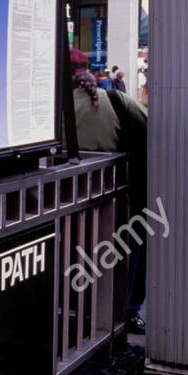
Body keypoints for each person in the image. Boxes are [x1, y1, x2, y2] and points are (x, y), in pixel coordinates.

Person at [69, 49, 148, 333]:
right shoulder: (115, 100)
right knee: (129, 252)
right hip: (117, 202)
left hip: (67, 203)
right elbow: (151, 127)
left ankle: (77, 309)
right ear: (89, 72)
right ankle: (126, 310)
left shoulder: (52, 108)